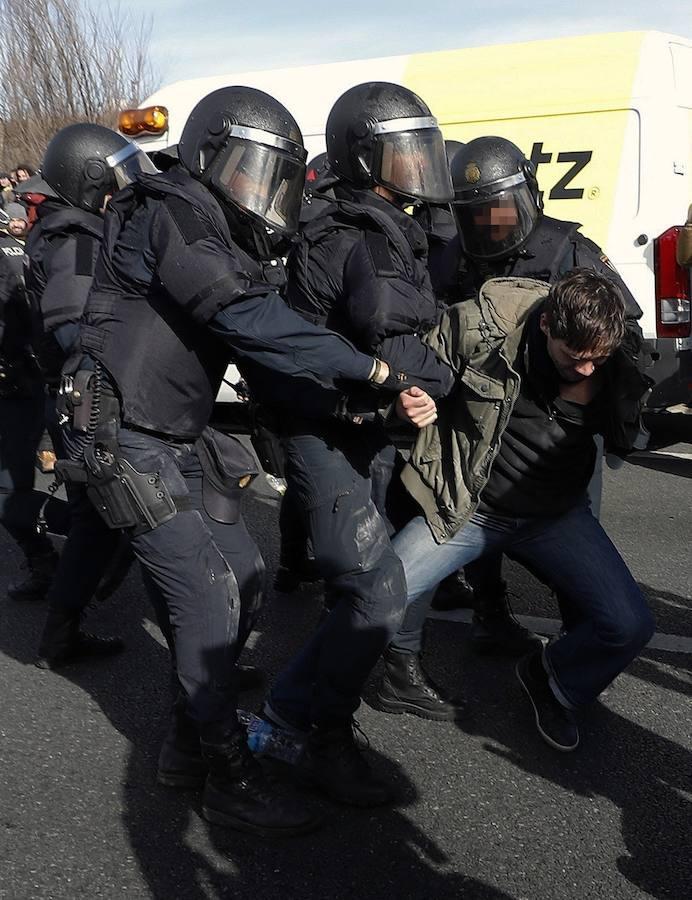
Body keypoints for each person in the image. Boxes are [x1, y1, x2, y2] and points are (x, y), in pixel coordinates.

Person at [69, 85, 408, 836]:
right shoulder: (169, 210)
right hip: (122, 435)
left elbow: (267, 354)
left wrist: (350, 406)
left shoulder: (220, 232)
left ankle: (185, 747)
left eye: (274, 178)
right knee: (206, 598)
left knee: (247, 581)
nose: (264, 194)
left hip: (173, 437)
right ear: (208, 157)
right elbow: (245, 319)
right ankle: (227, 773)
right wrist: (370, 371)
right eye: (251, 173)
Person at [379, 136, 647, 720]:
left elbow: (621, 327)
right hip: (470, 433)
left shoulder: (566, 248)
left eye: (499, 212)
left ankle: (571, 668)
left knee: (582, 566)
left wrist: (581, 389)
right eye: (475, 214)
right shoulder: (451, 254)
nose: (490, 228)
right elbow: (427, 329)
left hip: (554, 442)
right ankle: (473, 623)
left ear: (525, 198)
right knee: (435, 533)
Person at [253, 81, 458, 806]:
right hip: (327, 429)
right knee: (372, 589)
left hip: (359, 423)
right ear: (363, 157)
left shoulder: (374, 219)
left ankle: (302, 705)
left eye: (421, 151)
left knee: (369, 584)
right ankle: (313, 731)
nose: (419, 167)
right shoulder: (358, 233)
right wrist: (448, 377)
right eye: (404, 153)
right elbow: (395, 334)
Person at [390, 269, 655, 750]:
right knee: (372, 596)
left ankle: (552, 678)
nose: (587, 370)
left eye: (598, 360)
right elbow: (411, 370)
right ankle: (307, 717)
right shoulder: (479, 329)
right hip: (470, 508)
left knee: (630, 625)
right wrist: (403, 401)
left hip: (554, 516)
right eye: (575, 359)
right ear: (549, 324)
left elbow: (632, 428)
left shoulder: (613, 361)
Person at [16, 124, 155, 651]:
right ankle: (65, 626)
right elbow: (78, 331)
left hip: (83, 401)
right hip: (91, 405)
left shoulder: (80, 232)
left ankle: (65, 624)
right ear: (90, 180)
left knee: (96, 519)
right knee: (110, 515)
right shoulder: (75, 243)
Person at [1, 203, 68, 594]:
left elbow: (19, 322)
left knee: (9, 493)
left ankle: (105, 535)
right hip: (22, 384)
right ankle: (44, 561)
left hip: (17, 388)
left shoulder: (7, 255)